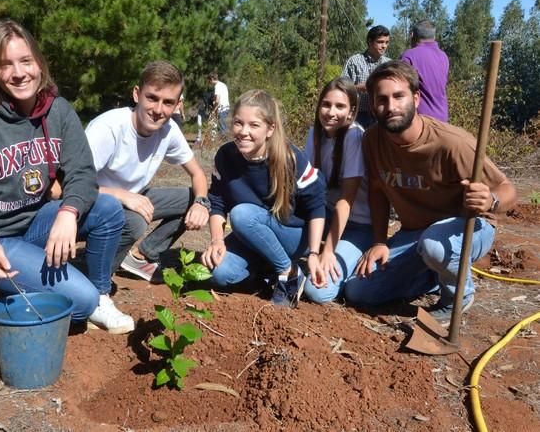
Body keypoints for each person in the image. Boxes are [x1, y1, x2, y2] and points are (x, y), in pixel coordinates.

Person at [0, 20, 134, 335]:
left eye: (26, 61)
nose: (19, 72)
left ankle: (101, 295)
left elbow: (82, 173)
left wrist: (69, 212)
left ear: (39, 64)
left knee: (107, 209)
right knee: (78, 306)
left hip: (32, 226)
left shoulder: (59, 111)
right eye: (5, 65)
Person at [344, 61, 517, 325]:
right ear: (373, 104)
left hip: (469, 228)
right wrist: (379, 242)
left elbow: (508, 190)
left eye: (398, 96)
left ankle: (456, 298)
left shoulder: (452, 143)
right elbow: (378, 192)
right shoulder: (372, 140)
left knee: (434, 246)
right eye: (382, 100)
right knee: (358, 291)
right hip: (415, 235)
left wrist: (490, 200)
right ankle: (433, 276)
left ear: (416, 98)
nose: (390, 107)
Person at [85, 61, 210, 282]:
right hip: (94, 202)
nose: (158, 110)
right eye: (152, 98)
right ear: (137, 94)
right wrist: (122, 195)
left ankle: (141, 256)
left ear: (177, 105)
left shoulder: (169, 130)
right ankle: (94, 279)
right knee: (134, 222)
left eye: (168, 102)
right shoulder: (108, 129)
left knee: (193, 198)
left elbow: (198, 174)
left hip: (134, 196)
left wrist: (201, 202)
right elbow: (66, 187)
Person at [201, 89, 326, 308]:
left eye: (254, 125)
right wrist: (217, 240)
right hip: (254, 233)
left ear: (270, 129)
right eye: (238, 123)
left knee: (241, 214)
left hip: (295, 236)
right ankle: (268, 270)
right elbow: (218, 202)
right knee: (220, 274)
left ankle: (289, 273)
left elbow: (317, 207)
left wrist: (315, 252)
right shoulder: (225, 156)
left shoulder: (290, 158)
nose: (243, 132)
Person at [303, 78, 373, 304]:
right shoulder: (314, 133)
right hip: (325, 216)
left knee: (318, 291)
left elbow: (346, 201)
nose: (331, 112)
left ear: (352, 111)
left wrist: (328, 250)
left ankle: (354, 259)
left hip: (357, 225)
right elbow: (308, 189)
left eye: (340, 106)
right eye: (326, 104)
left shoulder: (354, 136)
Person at [342, 25, 391, 129]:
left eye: (386, 42)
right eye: (380, 42)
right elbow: (342, 88)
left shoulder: (389, 64)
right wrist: (358, 88)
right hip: (359, 115)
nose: (384, 46)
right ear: (370, 41)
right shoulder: (354, 61)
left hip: (381, 114)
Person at [401, 20, 449, 122]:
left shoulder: (409, 56)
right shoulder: (443, 56)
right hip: (442, 119)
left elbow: (400, 88)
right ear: (434, 37)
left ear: (412, 35)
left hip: (420, 120)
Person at [208, 72, 230, 137]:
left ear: (212, 79)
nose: (210, 83)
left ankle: (223, 144)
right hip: (226, 107)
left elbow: (217, 100)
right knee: (223, 126)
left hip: (222, 108)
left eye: (209, 81)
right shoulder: (223, 85)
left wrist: (213, 110)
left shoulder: (217, 86)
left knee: (222, 128)